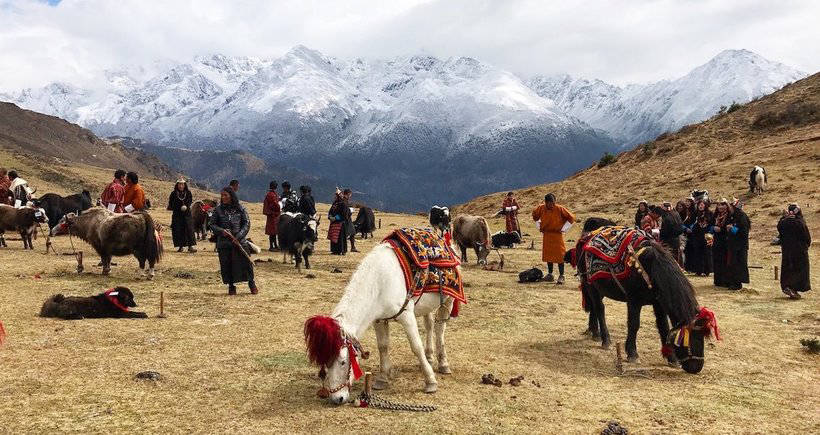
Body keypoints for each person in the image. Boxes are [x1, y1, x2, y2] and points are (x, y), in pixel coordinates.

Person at [210, 187, 257, 295]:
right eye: (222, 195)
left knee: (246, 263)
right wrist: (222, 231)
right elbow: (212, 224)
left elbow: (246, 223)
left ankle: (251, 283)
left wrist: (239, 236)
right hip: (224, 242)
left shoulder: (240, 208)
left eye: (225, 195)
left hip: (239, 241)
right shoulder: (218, 210)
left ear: (231, 196)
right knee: (227, 264)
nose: (223, 197)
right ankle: (231, 286)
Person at [531, 193, 575, 284]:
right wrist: (539, 227)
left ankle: (561, 275)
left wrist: (564, 229)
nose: (552, 205)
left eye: (554, 203)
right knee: (548, 256)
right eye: (550, 203)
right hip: (547, 234)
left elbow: (571, 218)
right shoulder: (541, 208)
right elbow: (535, 216)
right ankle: (550, 274)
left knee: (560, 256)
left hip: (557, 235)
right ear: (546, 202)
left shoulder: (559, 208)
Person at [712, 198, 750, 290]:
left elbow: (744, 232)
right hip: (732, 244)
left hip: (740, 246)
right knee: (731, 264)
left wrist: (733, 229)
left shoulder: (742, 216)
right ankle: (732, 282)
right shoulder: (733, 216)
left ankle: (737, 283)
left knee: (738, 264)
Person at [777, 204, 811, 299]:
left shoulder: (783, 223)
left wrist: (784, 217)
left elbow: (779, 229)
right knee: (799, 270)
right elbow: (806, 236)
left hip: (787, 250)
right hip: (800, 250)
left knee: (788, 269)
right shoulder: (800, 222)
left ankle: (788, 287)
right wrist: (807, 245)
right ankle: (793, 288)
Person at [167, 178, 197, 253]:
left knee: (189, 230)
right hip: (177, 215)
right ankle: (180, 246)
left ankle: (190, 246)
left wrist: (186, 206)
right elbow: (170, 203)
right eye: (179, 184)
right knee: (178, 230)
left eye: (182, 184)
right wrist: (177, 207)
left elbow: (190, 201)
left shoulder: (188, 193)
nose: (181, 186)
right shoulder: (173, 193)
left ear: (184, 185)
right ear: (177, 185)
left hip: (187, 214)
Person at [685, 200, 714, 276]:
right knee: (698, 253)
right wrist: (690, 227)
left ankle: (707, 270)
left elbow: (713, 223)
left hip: (707, 235)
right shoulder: (695, 214)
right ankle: (699, 270)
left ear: (705, 205)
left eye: (702, 204)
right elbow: (689, 223)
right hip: (697, 236)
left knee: (707, 253)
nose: (700, 206)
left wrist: (711, 232)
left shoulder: (710, 213)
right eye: (699, 205)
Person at [328, 190, 351, 255]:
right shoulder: (335, 203)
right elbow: (330, 211)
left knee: (341, 238)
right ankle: (335, 250)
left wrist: (335, 218)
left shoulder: (343, 203)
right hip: (334, 222)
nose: (335, 197)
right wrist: (330, 216)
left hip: (340, 223)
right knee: (334, 237)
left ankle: (342, 250)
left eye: (336, 195)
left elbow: (344, 214)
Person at [263, 181, 281, 251]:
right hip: (273, 215)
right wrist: (279, 206)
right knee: (272, 231)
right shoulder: (272, 195)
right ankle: (271, 246)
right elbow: (274, 204)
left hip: (272, 214)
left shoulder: (270, 194)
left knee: (273, 232)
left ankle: (275, 245)